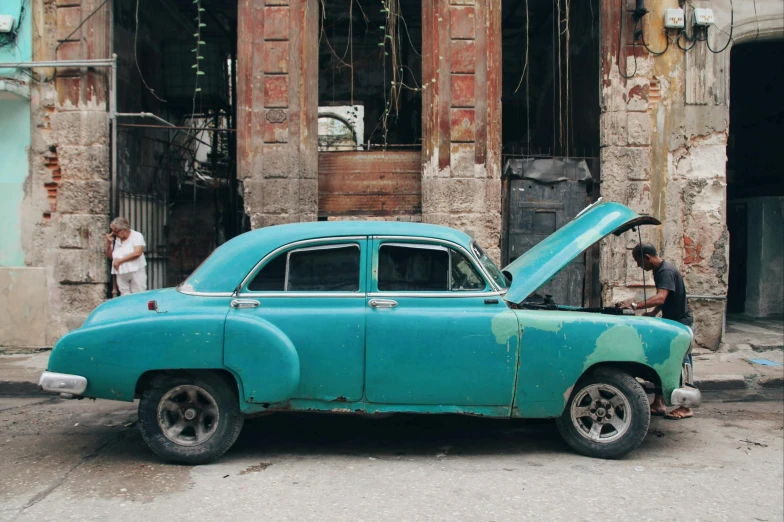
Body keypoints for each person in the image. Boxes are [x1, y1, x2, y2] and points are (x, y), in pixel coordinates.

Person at [617, 242, 695, 420]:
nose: (638, 266)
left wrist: (635, 305)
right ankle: (659, 403)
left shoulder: (665, 271)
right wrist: (652, 314)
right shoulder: (659, 270)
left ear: (647, 257)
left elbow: (661, 297)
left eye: (638, 262)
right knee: (664, 361)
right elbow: (663, 301)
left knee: (682, 367)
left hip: (681, 327)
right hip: (672, 324)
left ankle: (686, 407)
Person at [106, 217, 148, 296]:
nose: (114, 233)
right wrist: (108, 244)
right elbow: (111, 256)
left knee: (138, 293)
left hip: (135, 269)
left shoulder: (136, 236)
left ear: (124, 230)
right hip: (121, 272)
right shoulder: (116, 239)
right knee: (124, 294)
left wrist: (120, 261)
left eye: (116, 231)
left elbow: (137, 253)